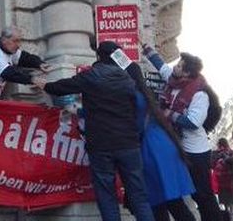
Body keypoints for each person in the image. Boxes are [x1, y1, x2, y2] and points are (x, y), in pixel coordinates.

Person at [32, 41, 154, 221]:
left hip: (101, 145)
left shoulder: (91, 77)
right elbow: (141, 108)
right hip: (128, 144)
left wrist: (43, 84)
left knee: (106, 196)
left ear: (99, 57)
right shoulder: (129, 79)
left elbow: (61, 87)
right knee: (139, 195)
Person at [143, 45, 222, 221]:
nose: (175, 67)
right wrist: (145, 47)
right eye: (178, 63)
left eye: (180, 66)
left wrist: (169, 114)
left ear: (186, 74)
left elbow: (193, 122)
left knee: (203, 194)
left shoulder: (199, 95)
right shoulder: (173, 80)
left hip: (195, 151)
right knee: (189, 192)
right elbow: (160, 65)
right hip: (177, 147)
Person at [126, 62, 196, 221]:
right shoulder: (147, 93)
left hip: (150, 150)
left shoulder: (134, 97)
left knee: (157, 203)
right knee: (174, 201)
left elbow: (136, 126)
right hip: (164, 145)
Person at [214, 138, 233, 221]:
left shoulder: (217, 153)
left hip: (221, 179)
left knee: (225, 197)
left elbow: (212, 164)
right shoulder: (230, 152)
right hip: (230, 177)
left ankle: (228, 212)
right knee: (231, 195)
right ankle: (232, 211)